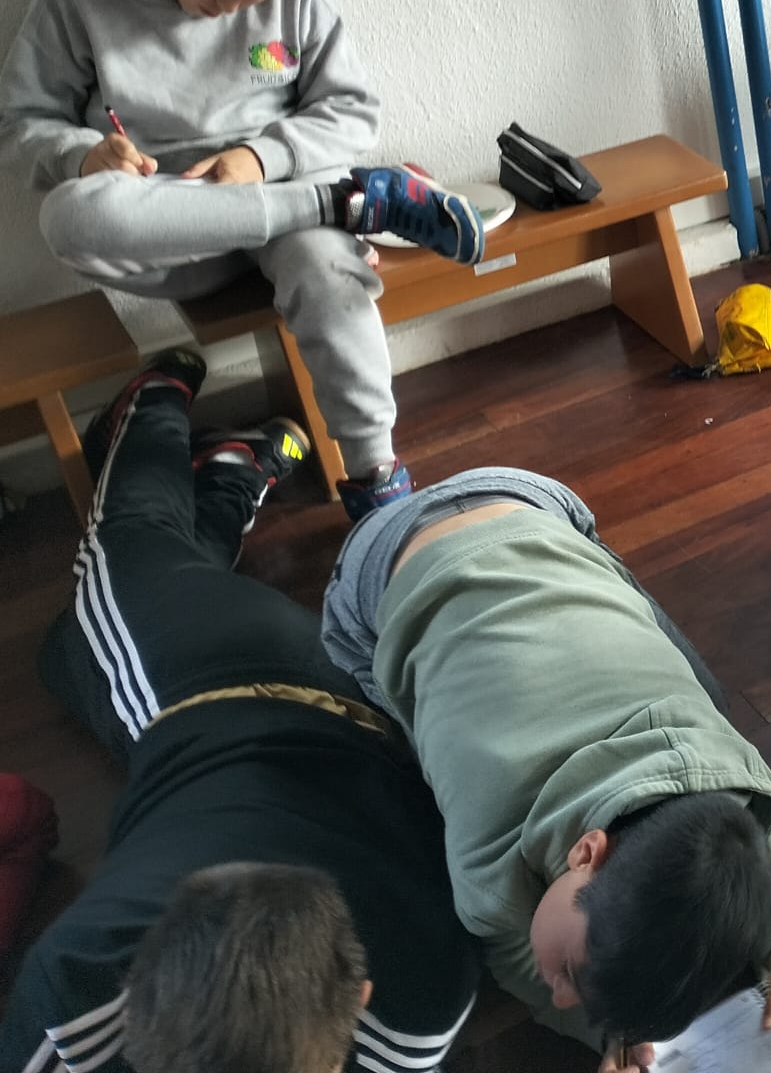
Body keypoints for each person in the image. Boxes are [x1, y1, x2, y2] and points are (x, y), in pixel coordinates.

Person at [0, 350, 480, 1073]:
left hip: (270, 713)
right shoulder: (421, 995)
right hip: (253, 689)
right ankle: (177, 418)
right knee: (115, 570)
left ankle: (212, 454)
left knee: (81, 630)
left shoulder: (73, 989)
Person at [0, 0, 486, 521]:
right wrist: (84, 156)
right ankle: (347, 204)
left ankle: (377, 481)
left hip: (282, 195)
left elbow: (352, 109)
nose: (228, 7)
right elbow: (19, 122)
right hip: (171, 225)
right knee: (67, 217)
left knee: (327, 273)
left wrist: (260, 157)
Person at [321, 469, 771, 1071]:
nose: (562, 995)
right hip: (381, 565)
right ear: (585, 852)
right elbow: (511, 954)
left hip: (533, 506)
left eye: (567, 986)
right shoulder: (490, 863)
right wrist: (596, 1033)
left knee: (708, 698)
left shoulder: (734, 769)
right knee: (395, 740)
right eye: (568, 972)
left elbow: (748, 831)